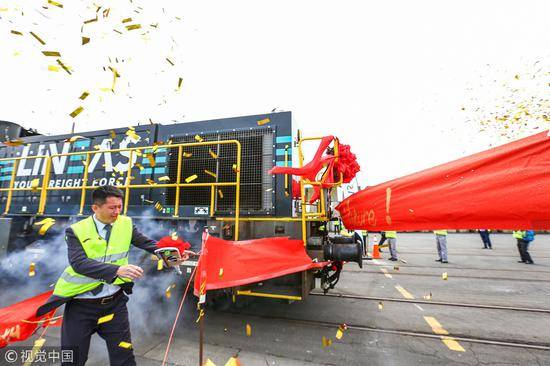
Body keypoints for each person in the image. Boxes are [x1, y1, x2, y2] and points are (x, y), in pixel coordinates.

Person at [37, 185, 186, 366]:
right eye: (112, 208)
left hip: (114, 304)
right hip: (81, 306)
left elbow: (148, 244)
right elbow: (79, 264)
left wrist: (173, 256)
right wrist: (116, 270)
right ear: (95, 208)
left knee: (124, 359)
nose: (117, 212)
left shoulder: (125, 224)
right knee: (73, 361)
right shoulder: (76, 230)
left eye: (120, 207)